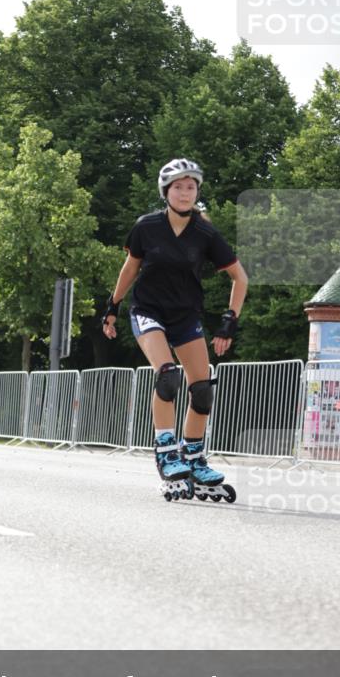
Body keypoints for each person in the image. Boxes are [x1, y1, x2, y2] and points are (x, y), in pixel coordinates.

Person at [102, 158, 248, 499]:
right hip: (148, 311)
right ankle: (166, 452)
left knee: (202, 389)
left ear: (197, 191)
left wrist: (229, 320)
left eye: (191, 186)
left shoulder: (206, 233)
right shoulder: (146, 227)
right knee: (168, 375)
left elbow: (240, 277)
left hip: (184, 316)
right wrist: (112, 307)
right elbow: (129, 269)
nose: (185, 192)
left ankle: (193, 458)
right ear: (166, 191)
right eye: (178, 186)